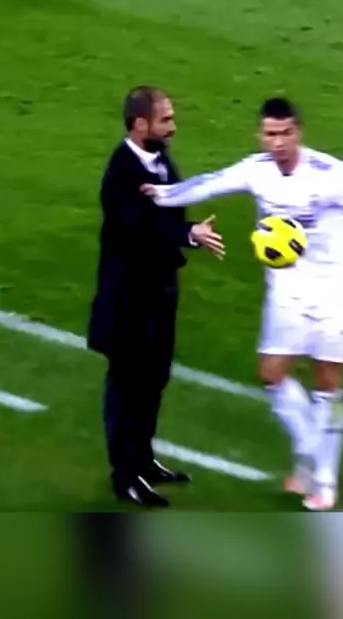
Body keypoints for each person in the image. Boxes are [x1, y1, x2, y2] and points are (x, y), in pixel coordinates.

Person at [142, 97, 343, 511]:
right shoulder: (257, 170)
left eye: (285, 133)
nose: (277, 142)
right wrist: (161, 194)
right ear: (260, 134)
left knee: (328, 383)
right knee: (271, 373)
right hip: (287, 287)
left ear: (299, 132)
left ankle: (324, 481)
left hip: (337, 287)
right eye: (270, 134)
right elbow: (210, 183)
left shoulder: (332, 175)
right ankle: (312, 452)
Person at [87, 86, 225, 507]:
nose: (173, 127)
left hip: (159, 294)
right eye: (165, 119)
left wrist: (188, 231)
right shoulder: (121, 173)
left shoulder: (162, 161)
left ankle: (144, 462)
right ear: (139, 124)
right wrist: (188, 234)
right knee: (127, 388)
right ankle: (125, 476)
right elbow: (140, 228)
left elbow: (169, 210)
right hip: (127, 302)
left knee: (153, 382)